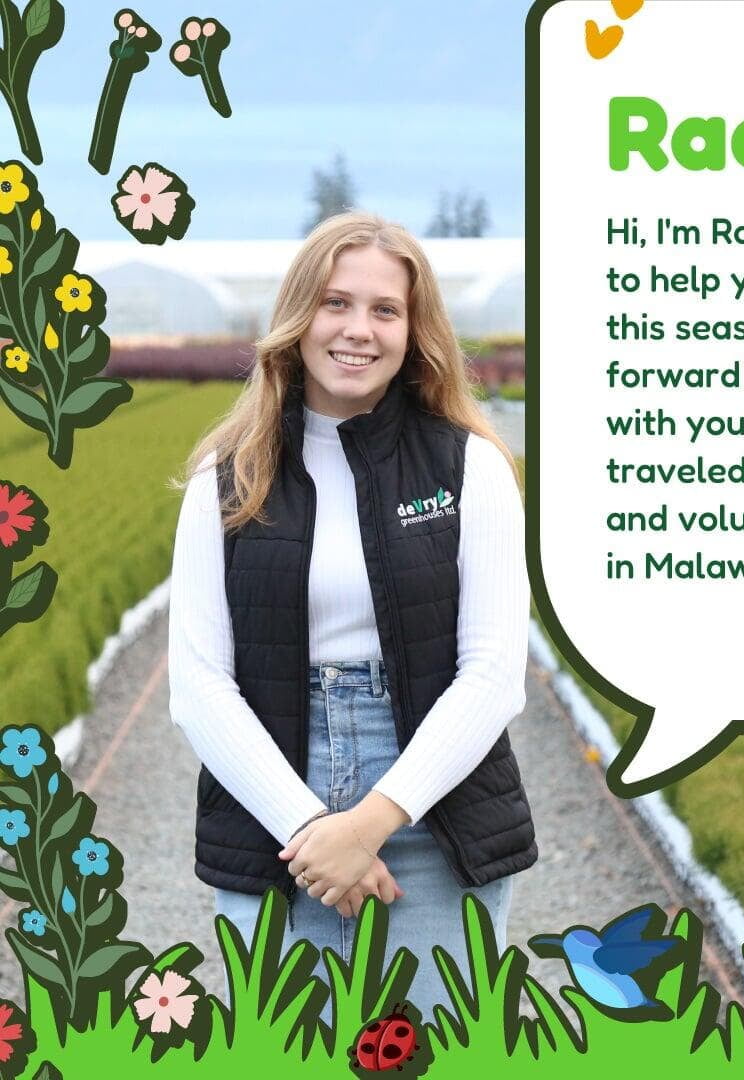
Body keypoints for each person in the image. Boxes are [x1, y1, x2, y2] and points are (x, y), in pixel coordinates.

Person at [167, 211, 536, 1020]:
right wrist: (312, 829)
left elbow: (494, 673)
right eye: (336, 304)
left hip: (434, 805)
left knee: (433, 1053)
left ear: (414, 331)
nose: (357, 330)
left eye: (384, 310)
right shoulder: (227, 480)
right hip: (274, 811)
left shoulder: (469, 467)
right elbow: (198, 686)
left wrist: (371, 820)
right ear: (298, 320)